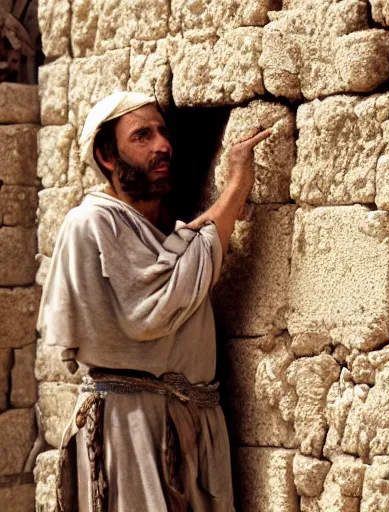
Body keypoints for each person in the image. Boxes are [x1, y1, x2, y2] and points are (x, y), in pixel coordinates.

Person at [36, 91, 273, 512]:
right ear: (107, 155)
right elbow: (154, 309)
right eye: (142, 136)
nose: (162, 145)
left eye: (163, 132)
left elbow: (181, 267)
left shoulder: (156, 230)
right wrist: (236, 187)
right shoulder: (90, 223)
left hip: (187, 428)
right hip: (132, 434)